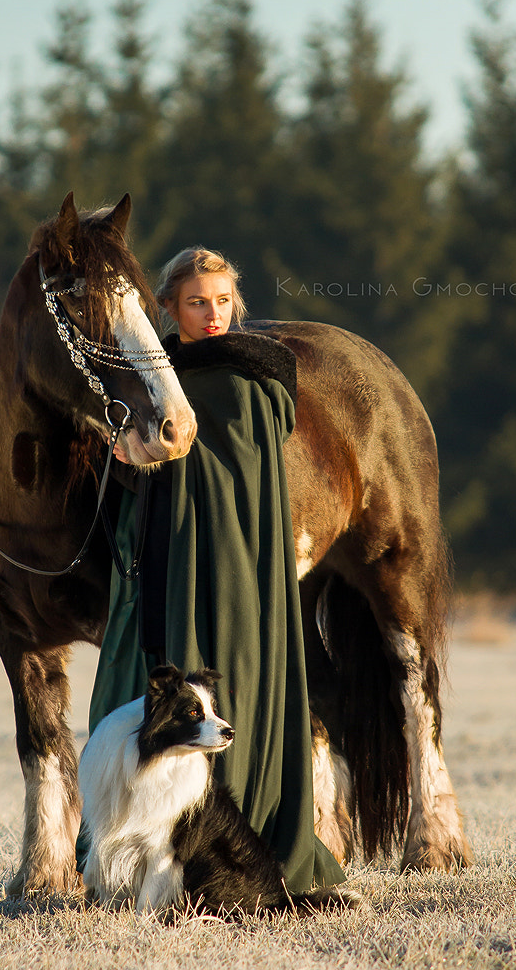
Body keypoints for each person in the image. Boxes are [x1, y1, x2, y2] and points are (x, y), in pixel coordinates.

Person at [87, 248, 346, 894]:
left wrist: (165, 454)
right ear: (168, 309)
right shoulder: (153, 374)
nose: (213, 314)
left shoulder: (256, 373)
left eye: (223, 300)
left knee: (235, 678)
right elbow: (130, 465)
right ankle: (136, 855)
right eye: (198, 302)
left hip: (237, 564)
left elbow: (243, 475)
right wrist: (127, 454)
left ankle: (236, 846)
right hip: (162, 552)